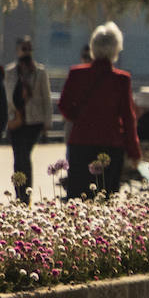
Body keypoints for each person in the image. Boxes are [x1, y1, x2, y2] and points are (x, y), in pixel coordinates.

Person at [59, 22, 141, 198]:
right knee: (105, 196)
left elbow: (63, 105)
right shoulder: (121, 80)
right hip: (110, 145)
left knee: (78, 196)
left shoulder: (76, 74)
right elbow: (128, 117)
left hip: (80, 143)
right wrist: (134, 152)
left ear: (93, 47)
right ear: (116, 49)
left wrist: (79, 118)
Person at [4, 36, 53, 203]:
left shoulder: (40, 72)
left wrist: (47, 121)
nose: (26, 52)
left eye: (29, 49)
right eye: (23, 49)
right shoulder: (10, 72)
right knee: (18, 157)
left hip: (33, 122)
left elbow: (46, 98)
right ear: (17, 51)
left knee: (24, 156)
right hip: (14, 121)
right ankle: (19, 193)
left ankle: (26, 194)